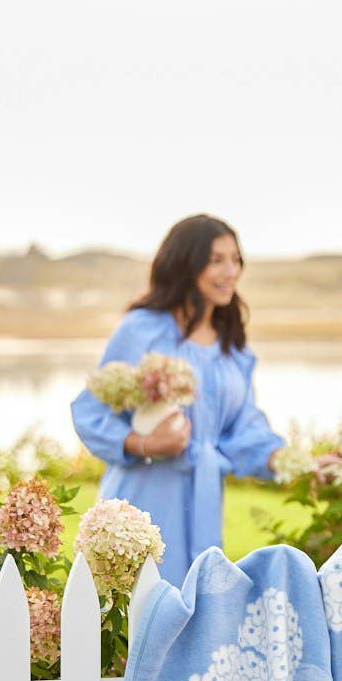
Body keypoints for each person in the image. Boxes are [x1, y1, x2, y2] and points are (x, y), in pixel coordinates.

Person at [71, 214, 284, 585]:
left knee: (196, 618)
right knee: (136, 620)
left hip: (202, 502)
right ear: (186, 263)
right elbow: (91, 411)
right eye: (216, 260)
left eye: (235, 260)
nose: (230, 271)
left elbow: (244, 430)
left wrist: (294, 462)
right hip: (141, 500)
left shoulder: (232, 346)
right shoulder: (142, 330)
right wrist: (145, 443)